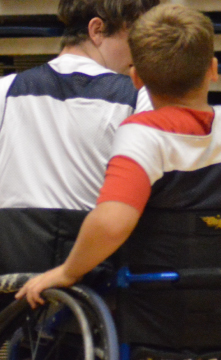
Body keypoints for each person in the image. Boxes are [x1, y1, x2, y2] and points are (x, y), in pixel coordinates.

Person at [17, 3, 221, 326]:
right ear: (212, 69)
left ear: (136, 77)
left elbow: (111, 224)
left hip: (153, 313)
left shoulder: (141, 135)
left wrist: (67, 271)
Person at [0, 0, 158, 276]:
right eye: (136, 39)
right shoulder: (139, 96)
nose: (141, 53)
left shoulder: (5, 89)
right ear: (96, 30)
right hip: (96, 260)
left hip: (13, 260)